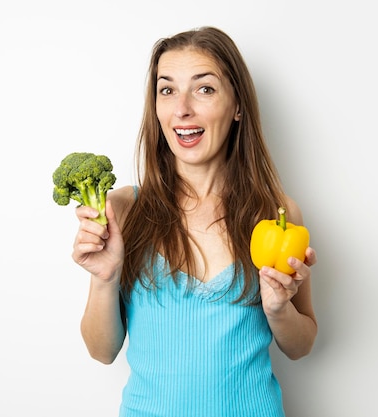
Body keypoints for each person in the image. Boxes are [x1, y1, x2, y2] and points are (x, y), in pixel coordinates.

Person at [71, 26, 318, 417]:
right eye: (167, 90)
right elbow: (102, 352)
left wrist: (278, 310)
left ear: (237, 106)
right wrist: (106, 278)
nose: (181, 109)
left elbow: (301, 345)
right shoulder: (122, 209)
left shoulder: (275, 213)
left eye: (204, 89)